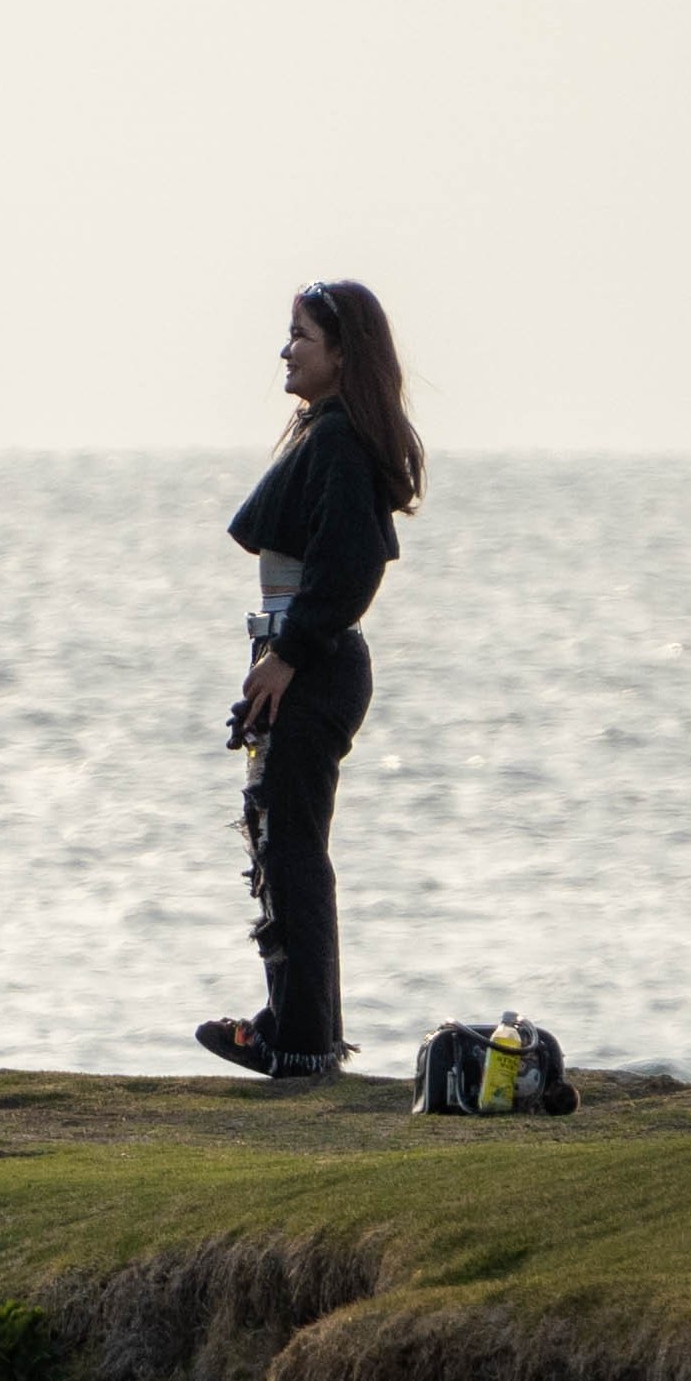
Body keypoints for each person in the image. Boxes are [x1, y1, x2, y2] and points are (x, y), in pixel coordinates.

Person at [196, 280, 422, 1081]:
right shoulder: (327, 433)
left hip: (314, 667)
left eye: (301, 336)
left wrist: (287, 654)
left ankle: (301, 1037)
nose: (286, 350)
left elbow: (351, 568)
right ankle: (292, 1024)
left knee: (290, 847)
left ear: (342, 353)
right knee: (278, 841)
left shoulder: (336, 441)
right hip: (301, 661)